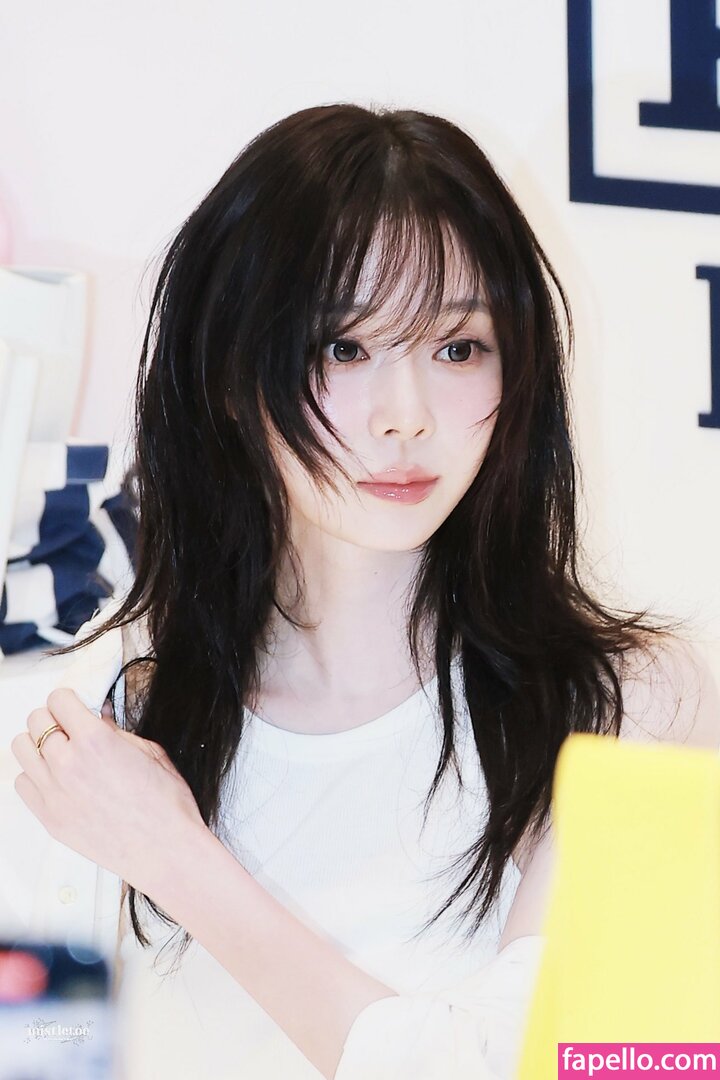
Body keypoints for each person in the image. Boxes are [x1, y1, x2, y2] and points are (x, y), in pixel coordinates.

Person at [10, 103, 720, 1080]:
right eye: (343, 347)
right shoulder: (90, 733)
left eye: (457, 347)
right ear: (229, 375)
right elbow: (43, 1061)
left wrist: (176, 857)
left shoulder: (629, 706)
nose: (406, 417)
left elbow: (547, 1069)